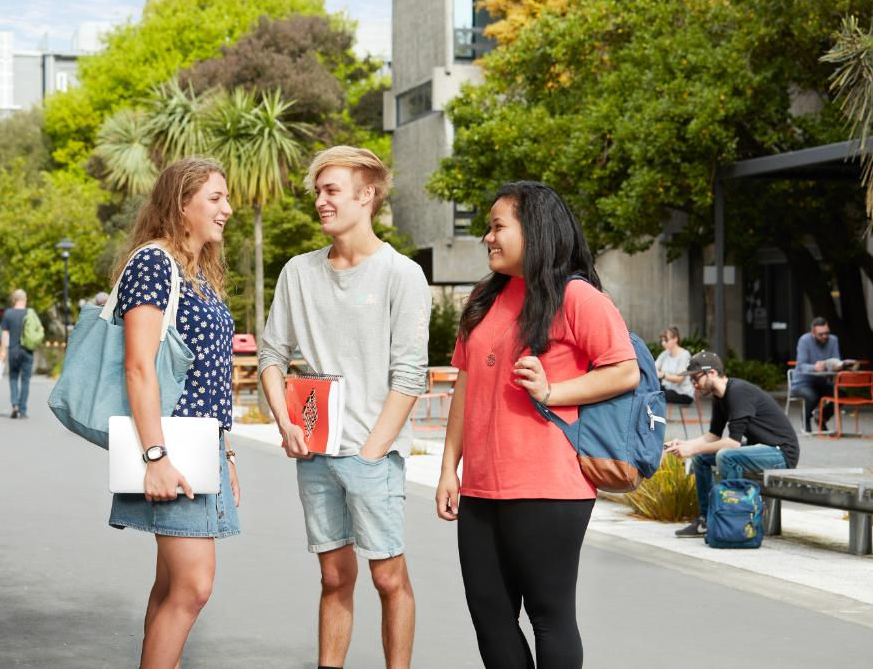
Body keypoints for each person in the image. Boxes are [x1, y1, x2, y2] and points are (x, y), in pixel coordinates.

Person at [435, 181, 639, 669]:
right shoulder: (484, 298)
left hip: (549, 486)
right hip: (482, 488)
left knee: (549, 616)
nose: (488, 237)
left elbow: (624, 369)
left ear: (536, 230)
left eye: (498, 226)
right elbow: (465, 385)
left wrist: (553, 392)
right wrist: (449, 469)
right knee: (489, 614)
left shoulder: (577, 297)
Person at [259, 146, 431, 669]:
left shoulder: (402, 275)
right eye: (318, 191)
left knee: (387, 577)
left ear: (366, 196)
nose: (320, 201)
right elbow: (271, 355)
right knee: (334, 576)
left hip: (372, 453)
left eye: (331, 190)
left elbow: (409, 375)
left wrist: (374, 451)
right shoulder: (298, 272)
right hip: (314, 452)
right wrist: (285, 423)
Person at [107, 158, 240, 668]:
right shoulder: (153, 263)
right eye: (215, 197)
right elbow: (139, 368)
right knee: (193, 586)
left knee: (169, 588)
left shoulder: (196, 273)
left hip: (199, 449)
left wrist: (225, 450)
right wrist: (156, 456)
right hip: (173, 451)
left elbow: (208, 376)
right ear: (181, 204)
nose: (226, 208)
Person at [667, 350, 800, 538]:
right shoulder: (719, 397)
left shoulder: (738, 392)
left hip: (781, 453)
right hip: (759, 450)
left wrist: (691, 448)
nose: (694, 384)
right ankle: (705, 521)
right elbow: (712, 436)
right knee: (701, 459)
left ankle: (733, 519)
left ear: (711, 373)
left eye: (696, 378)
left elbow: (733, 444)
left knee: (726, 456)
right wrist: (685, 444)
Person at [791, 317, 844, 433]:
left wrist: (836, 365)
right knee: (812, 396)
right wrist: (814, 367)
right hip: (802, 383)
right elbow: (801, 365)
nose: (825, 336)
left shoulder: (833, 340)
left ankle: (822, 417)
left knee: (842, 394)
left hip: (822, 382)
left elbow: (836, 359)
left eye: (826, 333)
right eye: (821, 334)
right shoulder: (804, 341)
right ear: (813, 333)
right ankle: (806, 420)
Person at [0, 289, 33, 419]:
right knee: (25, 380)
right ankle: (23, 410)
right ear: (24, 299)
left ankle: (15, 404)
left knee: (13, 377)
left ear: (14, 299)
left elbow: (5, 333)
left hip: (13, 350)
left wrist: (3, 351)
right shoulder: (30, 313)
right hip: (28, 350)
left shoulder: (8, 313)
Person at [655, 326, 694, 405]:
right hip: (668, 388)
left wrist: (663, 375)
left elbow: (680, 379)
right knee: (648, 392)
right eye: (662, 340)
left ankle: (655, 417)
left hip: (683, 393)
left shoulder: (684, 355)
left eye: (666, 340)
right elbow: (653, 367)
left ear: (675, 339)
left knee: (655, 396)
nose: (663, 343)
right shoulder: (665, 354)